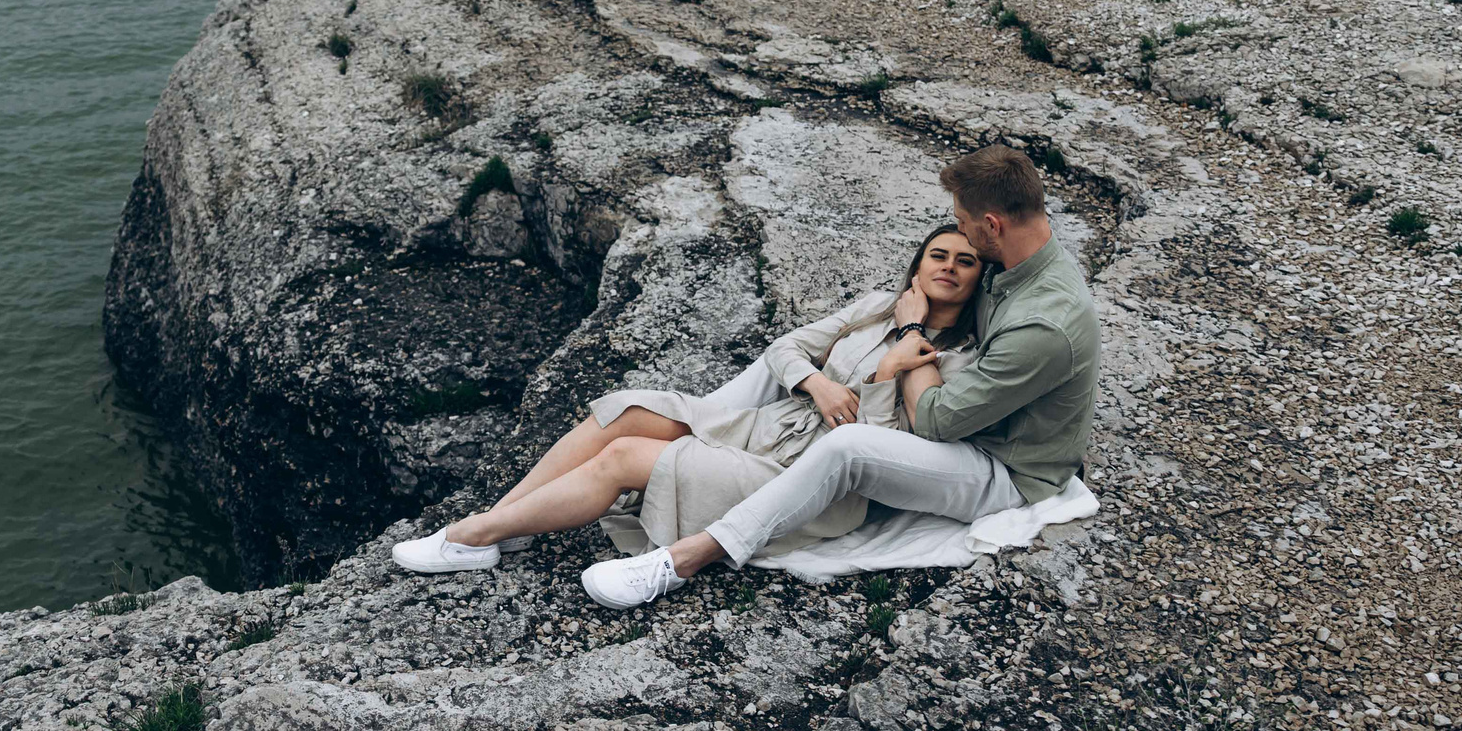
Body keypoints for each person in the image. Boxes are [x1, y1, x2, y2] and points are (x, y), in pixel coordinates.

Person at [578, 143, 1101, 608]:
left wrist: (911, 331)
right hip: (969, 410)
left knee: (849, 446)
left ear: (993, 225)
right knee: (786, 363)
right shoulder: (1014, 261)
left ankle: (687, 558)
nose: (957, 234)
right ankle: (698, 426)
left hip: (1002, 469)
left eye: (962, 223)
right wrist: (822, 376)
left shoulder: (1043, 324)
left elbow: (937, 421)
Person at [390, 221, 988, 574]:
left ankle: (472, 536)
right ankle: (501, 522)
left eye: (965, 262)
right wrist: (816, 381)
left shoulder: (957, 358)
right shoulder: (877, 306)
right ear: (917, 266)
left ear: (979, 280)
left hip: (809, 476)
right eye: (938, 255)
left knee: (624, 458)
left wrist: (889, 367)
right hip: (770, 426)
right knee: (625, 409)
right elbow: (785, 348)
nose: (949, 268)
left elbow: (884, 452)